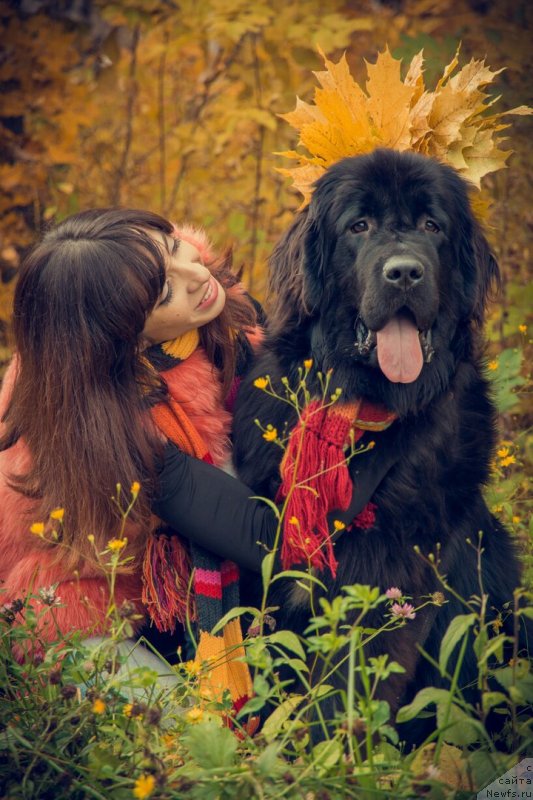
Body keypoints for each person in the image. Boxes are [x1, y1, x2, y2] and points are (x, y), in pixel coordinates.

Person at [0, 208, 383, 706]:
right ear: (123, 339)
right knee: (193, 737)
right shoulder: (113, 426)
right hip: (89, 611)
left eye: (175, 248)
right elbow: (273, 541)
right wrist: (385, 426)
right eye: (166, 292)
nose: (198, 274)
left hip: (179, 563)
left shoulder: (211, 314)